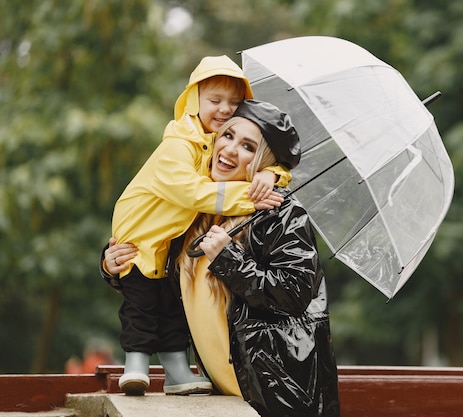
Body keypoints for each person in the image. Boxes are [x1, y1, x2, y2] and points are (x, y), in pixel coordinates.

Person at [105, 100, 340, 416]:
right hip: (218, 396)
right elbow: (156, 274)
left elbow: (295, 293)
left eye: (247, 146)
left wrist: (228, 258)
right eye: (227, 135)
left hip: (274, 396)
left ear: (263, 162)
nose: (229, 149)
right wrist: (111, 265)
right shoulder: (192, 206)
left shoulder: (278, 212)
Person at [103, 56, 291, 396]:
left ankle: (176, 368)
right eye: (214, 101)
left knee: (171, 311)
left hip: (258, 370)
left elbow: (287, 290)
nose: (223, 110)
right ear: (194, 101)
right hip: (143, 240)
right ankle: (136, 364)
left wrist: (271, 175)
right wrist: (108, 262)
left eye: (234, 104)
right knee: (142, 307)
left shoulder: (274, 206)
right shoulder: (181, 146)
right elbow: (193, 194)